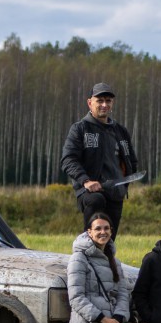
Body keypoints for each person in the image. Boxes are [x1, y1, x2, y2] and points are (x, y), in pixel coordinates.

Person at [61, 82, 139, 238]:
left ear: (112, 103)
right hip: (90, 193)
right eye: (100, 100)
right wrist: (86, 181)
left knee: (109, 241)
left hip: (115, 193)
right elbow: (68, 160)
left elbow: (131, 161)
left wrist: (124, 184)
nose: (104, 105)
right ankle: (84, 255)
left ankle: (106, 260)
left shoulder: (121, 131)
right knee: (94, 232)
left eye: (108, 101)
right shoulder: (80, 129)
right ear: (90, 102)